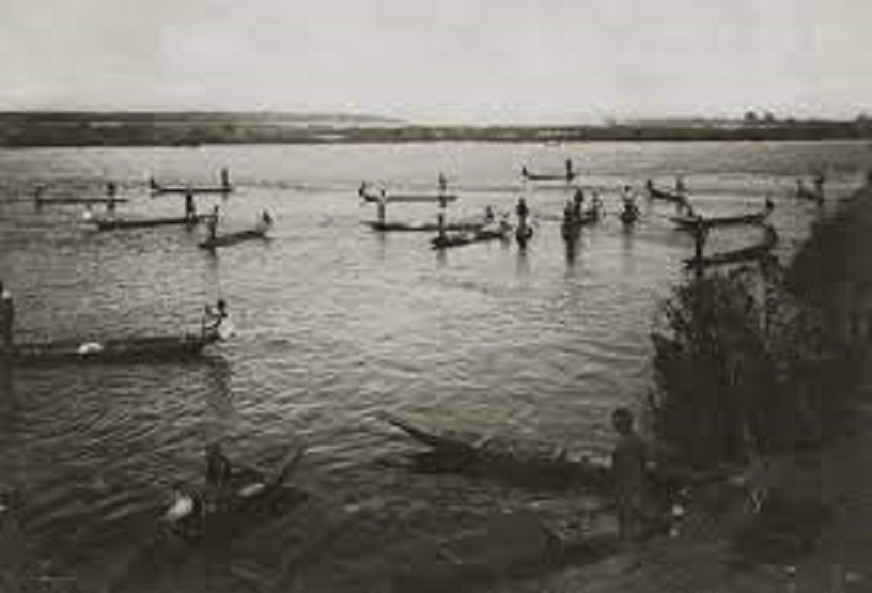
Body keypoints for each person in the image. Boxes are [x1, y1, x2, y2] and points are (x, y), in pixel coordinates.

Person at [610, 407, 652, 547]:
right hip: (627, 486)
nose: (616, 426)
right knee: (628, 520)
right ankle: (630, 547)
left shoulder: (629, 443)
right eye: (615, 423)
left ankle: (631, 549)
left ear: (628, 423)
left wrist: (635, 491)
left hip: (631, 487)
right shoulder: (635, 441)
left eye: (618, 423)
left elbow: (638, 468)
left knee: (630, 520)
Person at [0, 283, 14, 353]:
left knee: (6, 334)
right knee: (6, 335)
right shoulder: (6, 295)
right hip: (6, 316)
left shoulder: (6, 296)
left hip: (5, 317)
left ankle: (7, 351)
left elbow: (7, 309)